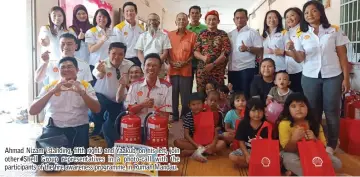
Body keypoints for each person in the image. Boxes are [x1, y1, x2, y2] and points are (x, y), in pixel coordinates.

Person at [287, 0, 350, 154]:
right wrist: (293, 50)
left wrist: (346, 78)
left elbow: (343, 56)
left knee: (332, 111)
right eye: (306, 12)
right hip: (310, 77)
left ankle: (332, 144)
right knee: (313, 111)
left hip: (333, 76)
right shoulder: (300, 34)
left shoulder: (334, 30)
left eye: (313, 11)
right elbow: (300, 59)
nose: (310, 14)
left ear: (321, 12)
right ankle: (316, 141)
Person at [29, 57, 101, 150]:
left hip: (78, 128)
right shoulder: (51, 86)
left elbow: (97, 109)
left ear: (77, 70)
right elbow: (32, 111)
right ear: (58, 71)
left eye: (70, 66)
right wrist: (52, 92)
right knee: (52, 158)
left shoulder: (86, 86)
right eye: (63, 67)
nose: (66, 69)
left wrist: (82, 93)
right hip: (54, 127)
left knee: (76, 157)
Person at [278, 93, 342, 176]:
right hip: (293, 153)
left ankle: (299, 173)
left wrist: (314, 139)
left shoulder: (315, 123)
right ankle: (318, 173)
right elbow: (286, 149)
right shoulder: (284, 124)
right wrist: (294, 139)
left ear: (307, 107)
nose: (298, 109)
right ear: (288, 110)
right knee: (290, 161)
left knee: (337, 163)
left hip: (312, 153)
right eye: (293, 106)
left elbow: (323, 147)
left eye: (302, 106)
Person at [90, 42, 134, 145]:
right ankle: (99, 127)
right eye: (114, 53)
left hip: (120, 99)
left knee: (115, 122)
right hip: (102, 98)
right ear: (108, 53)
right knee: (103, 113)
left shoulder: (129, 65)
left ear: (124, 55)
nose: (117, 57)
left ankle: (108, 133)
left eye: (120, 54)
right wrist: (101, 72)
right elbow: (98, 75)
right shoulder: (101, 64)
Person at [124, 53, 172, 144]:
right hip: (137, 127)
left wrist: (155, 109)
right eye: (148, 65)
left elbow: (166, 115)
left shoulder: (167, 87)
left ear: (160, 68)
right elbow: (130, 111)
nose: (151, 68)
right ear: (143, 66)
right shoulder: (134, 86)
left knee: (156, 155)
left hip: (156, 127)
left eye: (154, 65)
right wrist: (142, 105)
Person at [174, 92, 226, 161]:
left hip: (208, 142)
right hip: (195, 142)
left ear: (203, 104)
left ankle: (192, 152)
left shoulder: (207, 114)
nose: (196, 106)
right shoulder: (188, 116)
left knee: (222, 144)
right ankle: (206, 152)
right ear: (189, 106)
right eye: (193, 104)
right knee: (177, 142)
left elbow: (215, 132)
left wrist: (213, 144)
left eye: (199, 104)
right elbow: (186, 134)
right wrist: (197, 145)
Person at [228, 9, 263, 99]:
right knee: (234, 95)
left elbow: (260, 50)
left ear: (247, 18)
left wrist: (247, 48)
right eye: (237, 18)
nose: (239, 20)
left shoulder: (253, 32)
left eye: (242, 17)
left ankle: (246, 113)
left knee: (246, 95)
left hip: (247, 69)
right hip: (232, 70)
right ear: (234, 20)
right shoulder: (230, 34)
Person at [168, 13, 197, 122]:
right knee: (173, 93)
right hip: (172, 68)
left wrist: (185, 62)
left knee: (185, 94)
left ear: (187, 22)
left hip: (186, 69)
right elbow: (166, 51)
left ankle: (185, 115)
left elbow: (194, 53)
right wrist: (171, 62)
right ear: (175, 22)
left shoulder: (193, 35)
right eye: (179, 19)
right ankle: (174, 115)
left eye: (183, 19)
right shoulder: (169, 35)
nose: (181, 21)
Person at [194, 10, 231, 92]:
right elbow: (196, 52)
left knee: (217, 94)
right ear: (205, 21)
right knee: (201, 95)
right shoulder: (201, 34)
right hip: (202, 71)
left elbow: (225, 53)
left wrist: (213, 64)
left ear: (218, 21)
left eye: (214, 19)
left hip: (218, 71)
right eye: (209, 19)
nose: (211, 21)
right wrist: (203, 58)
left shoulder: (223, 34)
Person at [229, 98, 269, 167]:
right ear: (248, 111)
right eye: (253, 111)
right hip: (247, 150)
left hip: (262, 152)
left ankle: (253, 164)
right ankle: (258, 164)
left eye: (260, 111)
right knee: (232, 156)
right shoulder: (243, 124)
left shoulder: (267, 125)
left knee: (278, 157)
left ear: (263, 112)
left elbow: (269, 145)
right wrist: (247, 154)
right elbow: (241, 142)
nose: (257, 114)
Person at [135, 13, 172, 78]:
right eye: (150, 20)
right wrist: (145, 63)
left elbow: (165, 52)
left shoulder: (164, 36)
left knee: (159, 86)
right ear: (147, 22)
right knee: (146, 86)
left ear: (158, 23)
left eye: (155, 20)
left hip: (159, 67)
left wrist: (157, 63)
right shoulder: (142, 36)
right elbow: (139, 52)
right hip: (145, 67)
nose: (152, 22)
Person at [85, 9, 115, 85]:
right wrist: (101, 41)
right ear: (96, 18)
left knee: (107, 86)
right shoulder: (90, 32)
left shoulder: (111, 31)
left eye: (104, 17)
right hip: (96, 64)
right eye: (99, 16)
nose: (102, 19)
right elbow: (91, 50)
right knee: (95, 88)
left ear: (108, 19)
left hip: (109, 64)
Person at [113, 2, 145, 67]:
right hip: (125, 60)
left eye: (131, 11)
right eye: (127, 11)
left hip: (139, 60)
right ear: (123, 13)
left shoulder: (141, 28)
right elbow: (116, 47)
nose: (129, 13)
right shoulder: (118, 28)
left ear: (136, 12)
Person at [186, 5, 208, 90]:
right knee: (187, 86)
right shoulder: (185, 28)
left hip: (202, 62)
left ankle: (202, 103)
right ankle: (188, 103)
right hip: (188, 62)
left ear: (200, 15)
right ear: (189, 15)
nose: (194, 15)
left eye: (197, 13)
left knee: (202, 86)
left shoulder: (205, 28)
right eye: (192, 13)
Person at [283, 7, 303, 93]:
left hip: (300, 70)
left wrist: (284, 52)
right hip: (288, 70)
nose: (289, 19)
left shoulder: (303, 31)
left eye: (292, 15)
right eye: (286, 17)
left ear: (299, 16)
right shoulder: (287, 32)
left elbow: (300, 55)